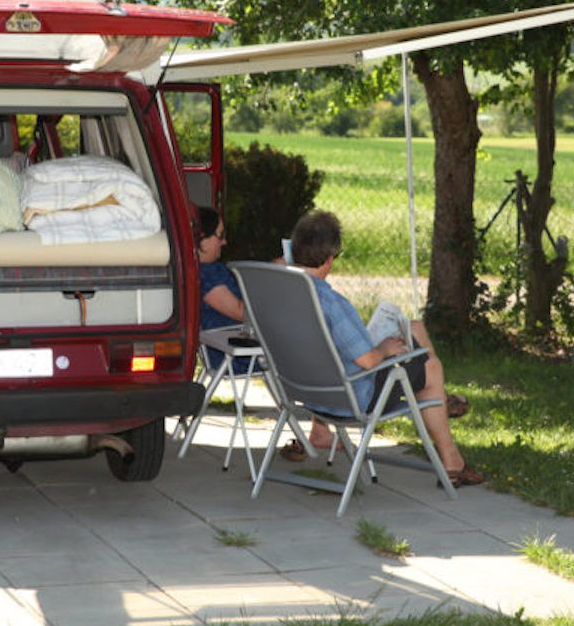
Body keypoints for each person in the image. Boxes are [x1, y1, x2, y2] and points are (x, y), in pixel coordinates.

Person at [279, 210, 483, 487]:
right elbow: (369, 360)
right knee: (430, 368)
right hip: (352, 399)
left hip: (304, 394)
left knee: (413, 327)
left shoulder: (280, 294)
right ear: (329, 259)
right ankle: (451, 460)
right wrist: (385, 349)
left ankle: (448, 434)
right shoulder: (331, 303)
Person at [195, 206, 248, 370]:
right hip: (232, 352)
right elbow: (241, 312)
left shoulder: (209, 269)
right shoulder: (206, 275)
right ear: (203, 238)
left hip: (235, 343)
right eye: (220, 235)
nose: (224, 241)